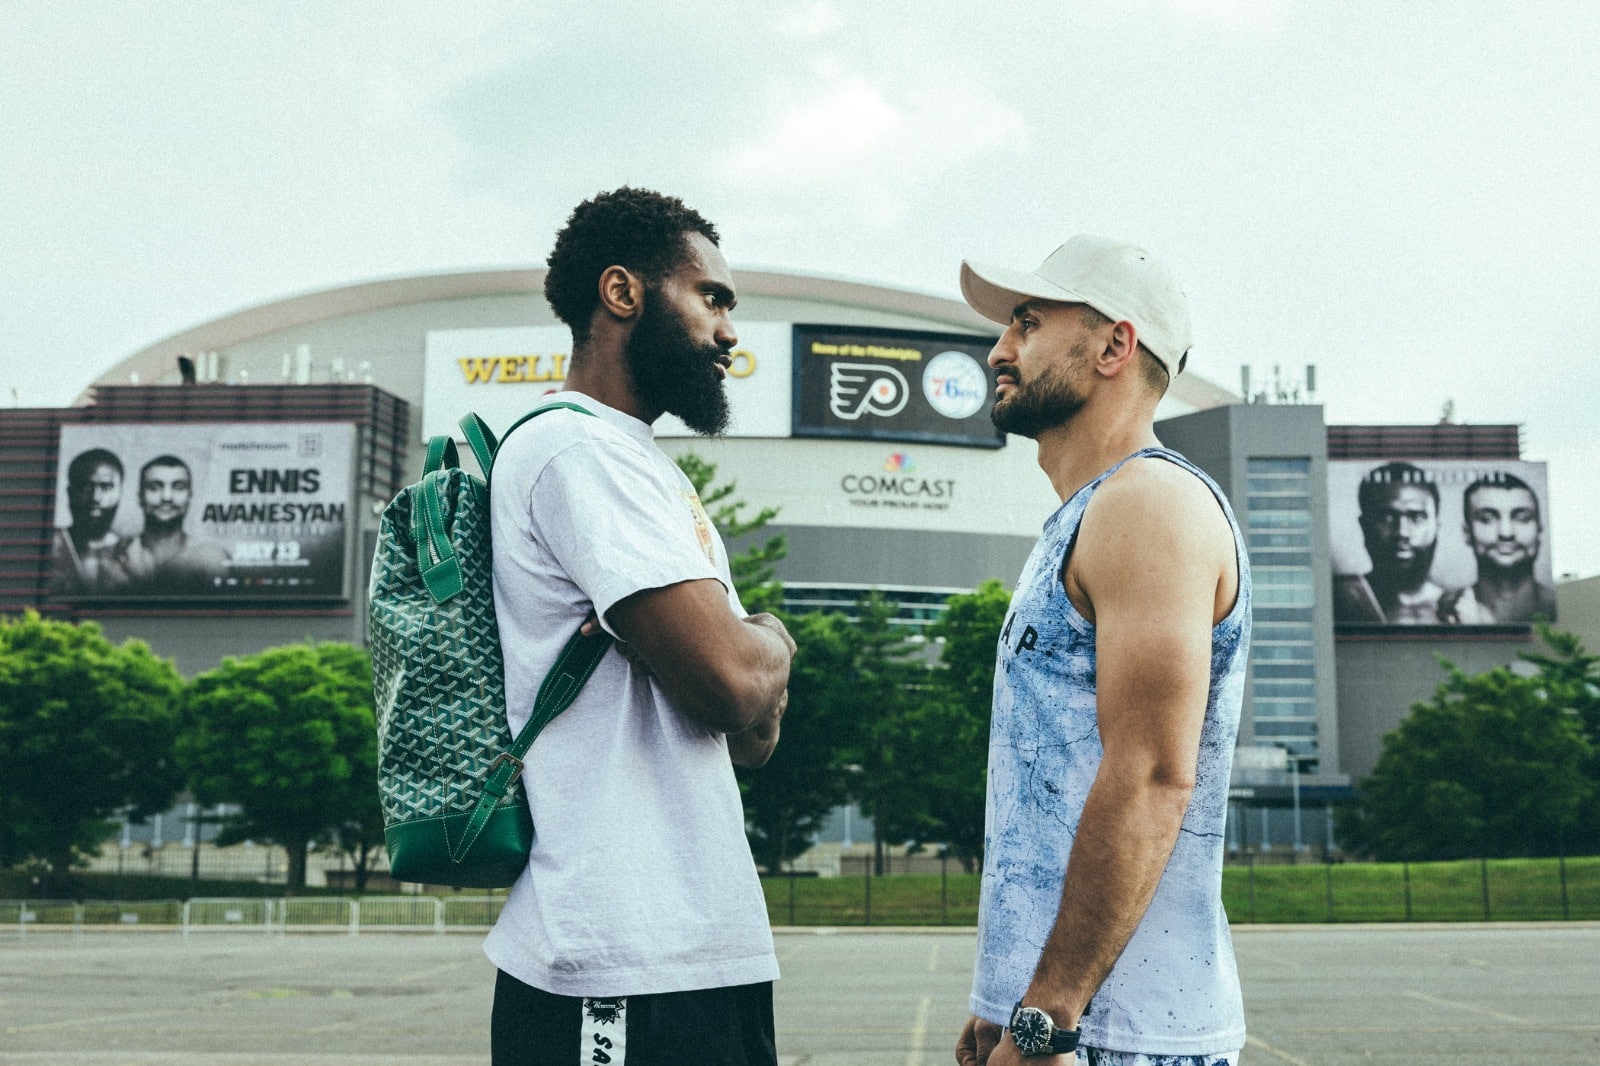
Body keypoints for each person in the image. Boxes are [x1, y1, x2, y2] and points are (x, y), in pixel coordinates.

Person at [483, 187, 795, 1066]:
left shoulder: (638, 465)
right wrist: (775, 637)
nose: (729, 331)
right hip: (619, 959)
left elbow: (748, 739)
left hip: (694, 948)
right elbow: (737, 684)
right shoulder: (578, 451)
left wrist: (747, 666)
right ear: (622, 294)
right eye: (711, 298)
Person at [953, 236, 1249, 1065]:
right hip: (1071, 1021)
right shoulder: (1092, 515)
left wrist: (1048, 1015)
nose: (1000, 348)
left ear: (1115, 345)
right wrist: (1003, 996)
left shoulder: (1149, 504)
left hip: (1120, 1039)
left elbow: (1153, 775)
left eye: (1028, 321)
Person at [1332, 461, 1444, 624]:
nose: (1402, 532)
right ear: (1364, 526)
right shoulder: (1339, 599)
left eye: (1417, 518)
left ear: (1437, 526)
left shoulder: (1465, 606)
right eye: (1386, 517)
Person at [1437, 472, 1556, 624]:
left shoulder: (1562, 609)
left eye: (1522, 518)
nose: (1506, 533)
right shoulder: (1444, 612)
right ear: (1467, 532)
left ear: (1539, 529)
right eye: (1487, 519)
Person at [116, 455, 230, 592]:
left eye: (178, 487)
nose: (166, 497)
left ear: (189, 496)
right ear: (140, 496)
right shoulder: (117, 554)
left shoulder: (211, 558)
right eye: (154, 487)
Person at [50, 447, 130, 594]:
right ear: (70, 492)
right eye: (86, 487)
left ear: (120, 493)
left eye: (106, 487)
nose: (95, 498)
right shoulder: (53, 545)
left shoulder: (133, 552)